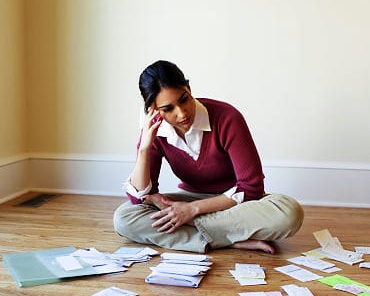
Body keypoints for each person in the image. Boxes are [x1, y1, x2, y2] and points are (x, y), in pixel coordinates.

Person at [113, 60, 304, 254]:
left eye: (183, 99)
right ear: (153, 109)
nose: (181, 113)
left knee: (287, 213)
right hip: (189, 200)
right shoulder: (154, 132)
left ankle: (200, 235)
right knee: (125, 217)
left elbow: (251, 188)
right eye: (168, 109)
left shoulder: (226, 117)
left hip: (235, 204)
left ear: (189, 88)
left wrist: (192, 211)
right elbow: (141, 198)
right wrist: (145, 147)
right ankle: (229, 239)